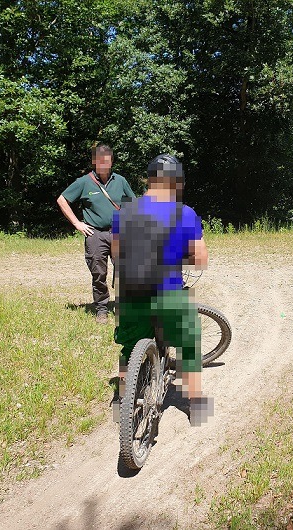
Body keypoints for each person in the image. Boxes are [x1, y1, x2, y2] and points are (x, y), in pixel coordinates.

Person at [111, 154, 212, 426]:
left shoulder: (125, 211)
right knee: (190, 340)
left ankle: (123, 395)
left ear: (149, 180)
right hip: (169, 294)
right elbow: (200, 259)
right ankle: (196, 402)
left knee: (130, 347)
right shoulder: (185, 213)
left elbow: (116, 252)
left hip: (132, 295)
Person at [57, 144, 136, 324]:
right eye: (99, 161)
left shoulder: (120, 181)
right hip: (95, 235)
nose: (103, 164)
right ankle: (101, 308)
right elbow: (62, 200)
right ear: (94, 162)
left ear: (111, 161)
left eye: (106, 161)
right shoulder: (85, 182)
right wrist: (77, 223)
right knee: (98, 273)